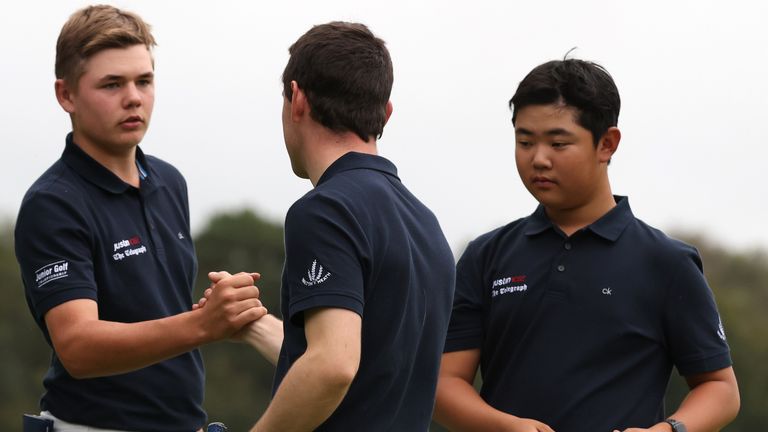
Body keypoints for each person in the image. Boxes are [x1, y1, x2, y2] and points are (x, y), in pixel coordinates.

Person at [433, 59, 740, 432]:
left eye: (558, 143)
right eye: (524, 141)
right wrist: (503, 427)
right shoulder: (486, 256)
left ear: (607, 144)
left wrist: (668, 430)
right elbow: (444, 383)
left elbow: (719, 388)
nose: (538, 158)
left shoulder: (666, 262)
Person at [14, 5, 266, 431]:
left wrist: (214, 310)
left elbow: (156, 314)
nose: (133, 96)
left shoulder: (170, 182)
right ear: (66, 95)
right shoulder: (53, 203)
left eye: (143, 81)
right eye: (112, 84)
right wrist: (201, 323)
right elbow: (78, 347)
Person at [222, 21, 455, 431]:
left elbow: (332, 366)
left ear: (297, 99)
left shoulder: (325, 209)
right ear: (386, 113)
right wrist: (255, 324)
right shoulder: (426, 223)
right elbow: (361, 368)